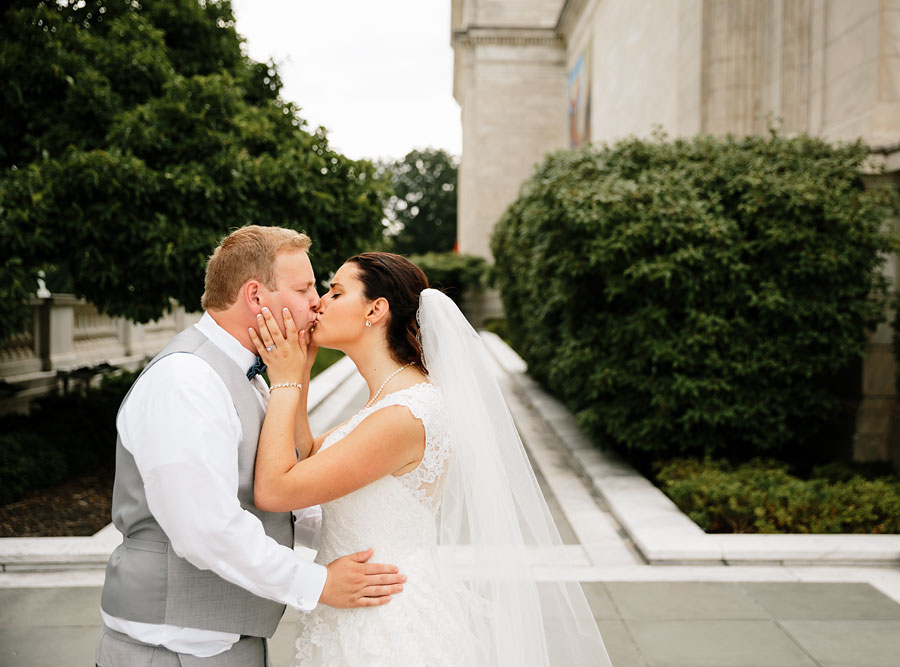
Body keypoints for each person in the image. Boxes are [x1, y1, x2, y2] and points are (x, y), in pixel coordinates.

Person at [251, 251, 612, 666]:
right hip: (361, 607)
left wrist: (284, 383)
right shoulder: (390, 400)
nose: (319, 303)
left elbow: (277, 488)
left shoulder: (404, 415)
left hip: (385, 624)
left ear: (375, 309)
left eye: (335, 292)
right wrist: (302, 373)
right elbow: (311, 455)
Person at [96, 226, 406, 667]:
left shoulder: (251, 376)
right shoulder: (186, 381)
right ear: (257, 297)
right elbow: (205, 529)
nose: (316, 301)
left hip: (222, 644)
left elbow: (276, 499)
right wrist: (318, 584)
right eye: (304, 288)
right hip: (173, 649)